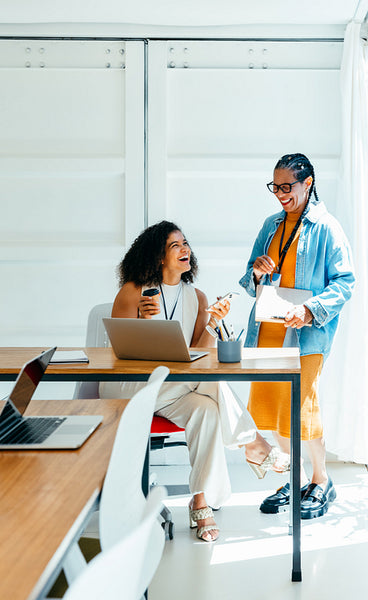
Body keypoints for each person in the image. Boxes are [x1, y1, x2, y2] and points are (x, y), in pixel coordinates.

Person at [100, 220, 290, 542]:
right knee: (210, 383)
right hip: (135, 387)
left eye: (185, 243)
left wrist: (213, 322)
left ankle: (200, 499)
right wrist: (144, 322)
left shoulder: (197, 297)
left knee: (207, 409)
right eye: (175, 245)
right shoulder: (133, 291)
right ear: (159, 256)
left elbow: (197, 357)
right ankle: (254, 443)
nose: (185, 249)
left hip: (178, 388)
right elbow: (122, 353)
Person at [239, 153, 355, 519]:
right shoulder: (271, 225)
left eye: (287, 186)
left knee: (301, 408)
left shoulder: (327, 228)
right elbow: (249, 277)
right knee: (273, 410)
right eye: (275, 186)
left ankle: (321, 481)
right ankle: (296, 478)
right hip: (267, 329)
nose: (280, 194)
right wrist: (257, 272)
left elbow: (344, 282)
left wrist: (310, 311)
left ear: (308, 183)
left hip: (305, 333)